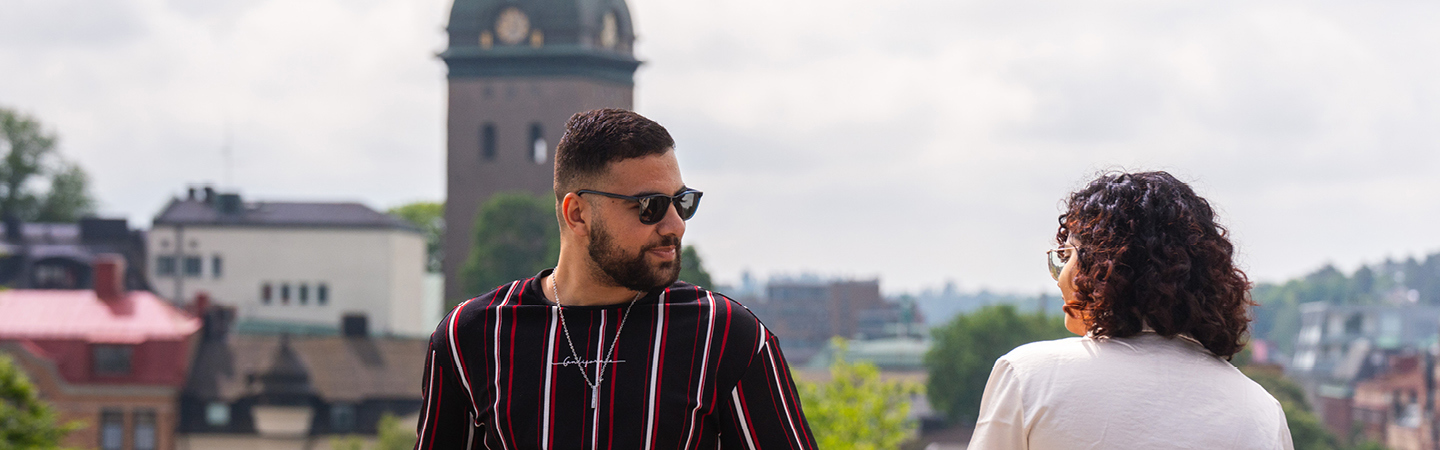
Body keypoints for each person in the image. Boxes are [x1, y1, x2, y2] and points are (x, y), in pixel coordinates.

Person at [414, 109, 816, 449]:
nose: (675, 225)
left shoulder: (726, 335)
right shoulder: (471, 337)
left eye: (682, 202)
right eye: (650, 206)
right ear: (578, 214)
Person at [967, 171, 1293, 450]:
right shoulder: (1261, 411)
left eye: (1067, 256)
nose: (1059, 279)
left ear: (1104, 267)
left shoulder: (1028, 375)